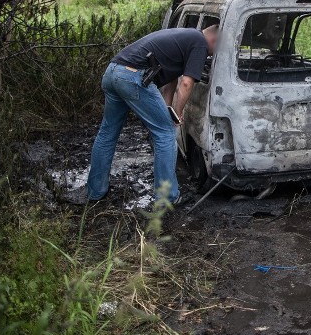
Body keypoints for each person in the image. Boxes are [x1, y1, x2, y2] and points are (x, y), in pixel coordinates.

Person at [68, 25, 218, 207]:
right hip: (132, 77)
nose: (210, 55)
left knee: (107, 132)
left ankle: (96, 191)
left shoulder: (184, 38)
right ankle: (166, 198)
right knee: (165, 134)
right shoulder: (200, 43)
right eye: (215, 51)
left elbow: (170, 83)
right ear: (213, 40)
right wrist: (177, 116)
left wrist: (168, 109)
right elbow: (186, 84)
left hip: (113, 71)